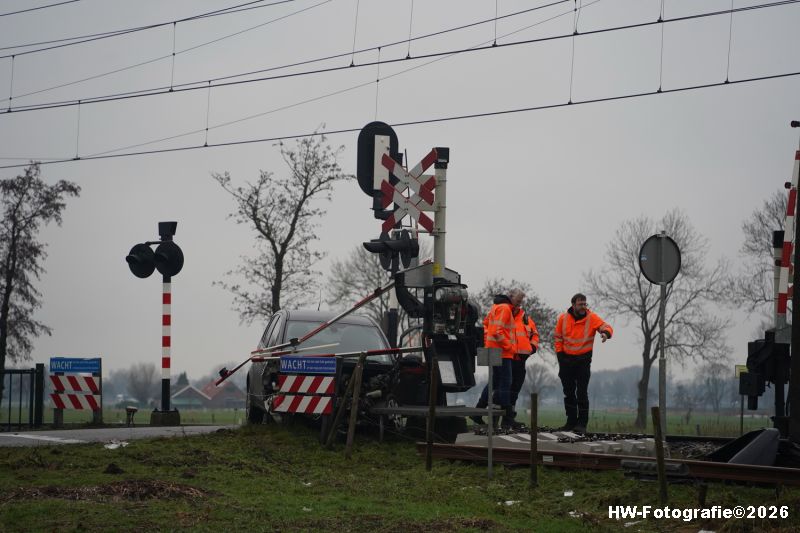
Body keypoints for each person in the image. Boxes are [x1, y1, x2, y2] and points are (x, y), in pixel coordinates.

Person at [554, 293, 613, 433]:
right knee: (568, 393)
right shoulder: (562, 318)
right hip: (566, 361)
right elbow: (558, 338)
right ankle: (571, 421)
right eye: (580, 304)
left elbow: (607, 326)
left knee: (581, 393)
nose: (583, 307)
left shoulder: (591, 317)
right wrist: (560, 356)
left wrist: (605, 333)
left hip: (583, 361)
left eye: (585, 304)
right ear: (573, 305)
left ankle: (582, 424)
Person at [470, 289, 522, 426]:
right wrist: (509, 347)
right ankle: (508, 416)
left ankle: (478, 410)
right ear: (511, 297)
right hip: (502, 352)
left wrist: (489, 342)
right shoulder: (505, 308)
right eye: (518, 301)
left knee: (493, 382)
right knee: (506, 383)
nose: (519, 304)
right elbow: (497, 331)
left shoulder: (496, 307)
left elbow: (487, 324)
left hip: (493, 349)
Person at [505, 305, 539, 430]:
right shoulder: (503, 316)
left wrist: (533, 347)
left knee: (514, 390)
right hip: (506, 359)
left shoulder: (526, 318)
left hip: (520, 361)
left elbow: (535, 335)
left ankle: (509, 418)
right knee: (503, 390)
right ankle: (503, 418)